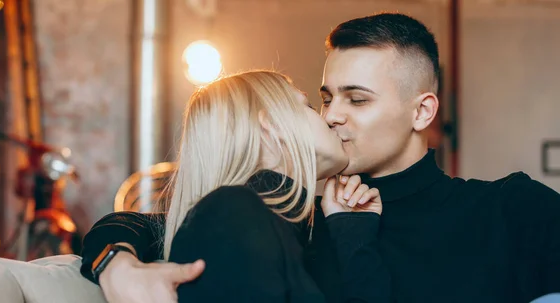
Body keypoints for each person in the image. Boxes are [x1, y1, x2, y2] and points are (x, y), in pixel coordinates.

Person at [80, 71, 388, 303]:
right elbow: (130, 224)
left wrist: (352, 229)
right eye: (308, 106)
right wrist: (115, 264)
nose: (330, 118)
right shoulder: (232, 212)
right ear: (273, 127)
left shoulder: (312, 224)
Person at [317, 13, 560, 303]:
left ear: (422, 113)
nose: (330, 116)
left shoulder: (515, 212)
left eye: (357, 99)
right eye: (327, 99)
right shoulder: (303, 230)